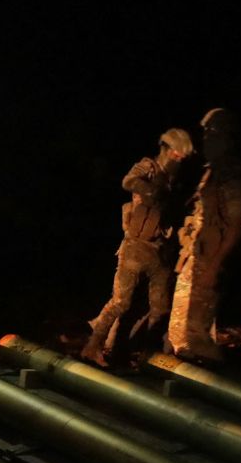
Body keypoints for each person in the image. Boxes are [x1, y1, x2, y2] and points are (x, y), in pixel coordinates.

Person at [80, 128, 194, 364]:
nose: (178, 161)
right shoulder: (148, 168)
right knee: (122, 302)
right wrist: (151, 191)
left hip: (161, 252)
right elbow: (128, 181)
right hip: (136, 247)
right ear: (165, 150)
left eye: (182, 158)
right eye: (176, 155)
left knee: (160, 308)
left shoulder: (177, 181)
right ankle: (93, 346)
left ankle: (142, 354)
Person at [165, 107, 241, 360]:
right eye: (205, 132)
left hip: (208, 261)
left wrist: (215, 266)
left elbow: (235, 226)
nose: (206, 138)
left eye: (212, 132)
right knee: (179, 334)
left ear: (227, 137)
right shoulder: (212, 173)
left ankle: (209, 387)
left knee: (196, 339)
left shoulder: (232, 177)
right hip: (193, 258)